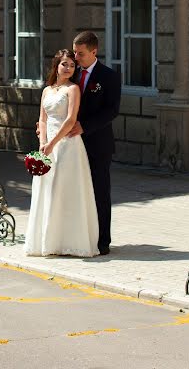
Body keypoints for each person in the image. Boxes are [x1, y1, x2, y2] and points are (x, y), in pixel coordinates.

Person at [24, 49, 99, 257]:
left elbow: (70, 120)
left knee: (66, 191)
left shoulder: (73, 89)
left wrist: (53, 144)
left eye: (72, 65)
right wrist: (42, 144)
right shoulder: (47, 90)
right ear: (56, 65)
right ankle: (47, 241)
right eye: (64, 64)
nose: (68, 68)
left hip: (67, 145)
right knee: (47, 191)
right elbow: (43, 119)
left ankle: (70, 242)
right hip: (47, 145)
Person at [69, 31, 122, 256]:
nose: (76, 58)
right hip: (71, 145)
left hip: (98, 144)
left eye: (80, 54)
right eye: (74, 53)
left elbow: (112, 111)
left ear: (94, 51)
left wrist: (85, 126)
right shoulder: (71, 74)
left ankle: (102, 241)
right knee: (75, 192)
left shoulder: (109, 76)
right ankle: (78, 238)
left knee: (100, 192)